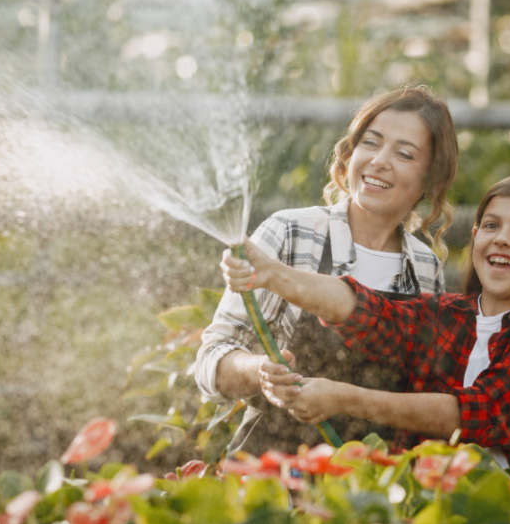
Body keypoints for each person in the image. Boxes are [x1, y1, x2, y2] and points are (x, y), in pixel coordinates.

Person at [221, 175, 510, 466]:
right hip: (429, 522)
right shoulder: (448, 316)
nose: (502, 239)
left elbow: (472, 414)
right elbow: (365, 311)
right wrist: (271, 274)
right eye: (491, 225)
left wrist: (342, 398)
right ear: (475, 237)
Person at [195, 86, 459, 455]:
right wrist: (260, 371)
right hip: (274, 473)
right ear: (350, 154)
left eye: (404, 153)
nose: (380, 161)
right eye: (371, 142)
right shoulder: (290, 232)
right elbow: (212, 360)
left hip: (375, 482)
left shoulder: (424, 268)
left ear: (430, 179)